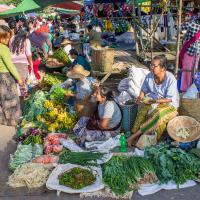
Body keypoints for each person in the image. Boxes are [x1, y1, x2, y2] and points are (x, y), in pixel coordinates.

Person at [127, 55, 179, 147]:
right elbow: (144, 89)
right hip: (154, 101)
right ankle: (134, 136)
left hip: (169, 105)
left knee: (156, 115)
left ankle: (133, 137)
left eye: (155, 66)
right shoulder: (149, 76)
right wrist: (140, 98)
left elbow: (169, 98)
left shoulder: (170, 79)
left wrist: (153, 101)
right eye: (151, 65)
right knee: (142, 109)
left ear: (162, 68)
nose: (151, 67)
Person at [0, 25, 23, 126]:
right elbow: (10, 65)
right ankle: (13, 121)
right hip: (5, 77)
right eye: (6, 37)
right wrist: (19, 78)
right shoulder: (3, 48)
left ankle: (4, 120)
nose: (8, 40)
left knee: (3, 99)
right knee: (11, 99)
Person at [179, 16, 200, 92]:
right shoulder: (193, 25)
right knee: (190, 72)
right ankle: (186, 89)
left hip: (191, 53)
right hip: (193, 53)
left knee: (188, 72)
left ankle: (186, 89)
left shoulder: (192, 24)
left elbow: (179, 27)